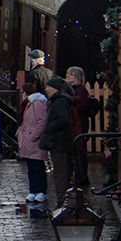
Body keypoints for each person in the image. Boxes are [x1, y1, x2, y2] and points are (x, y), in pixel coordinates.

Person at [41, 76, 75, 207]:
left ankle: (62, 203)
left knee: (60, 174)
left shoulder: (59, 102)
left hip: (59, 142)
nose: (47, 89)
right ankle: (63, 201)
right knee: (61, 173)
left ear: (56, 89)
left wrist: (49, 128)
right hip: (59, 142)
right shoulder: (58, 100)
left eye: (49, 87)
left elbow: (63, 119)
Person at [16, 82, 49, 204]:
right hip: (28, 138)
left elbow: (42, 121)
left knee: (38, 166)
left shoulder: (37, 103)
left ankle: (41, 191)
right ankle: (33, 190)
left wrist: (33, 136)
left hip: (33, 139)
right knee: (31, 167)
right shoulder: (29, 103)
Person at [66, 66, 93, 188]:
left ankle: (82, 175)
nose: (68, 76)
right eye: (68, 74)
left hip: (80, 123)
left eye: (71, 74)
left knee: (79, 149)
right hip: (73, 123)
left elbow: (82, 106)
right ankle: (77, 174)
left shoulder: (81, 90)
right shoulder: (69, 89)